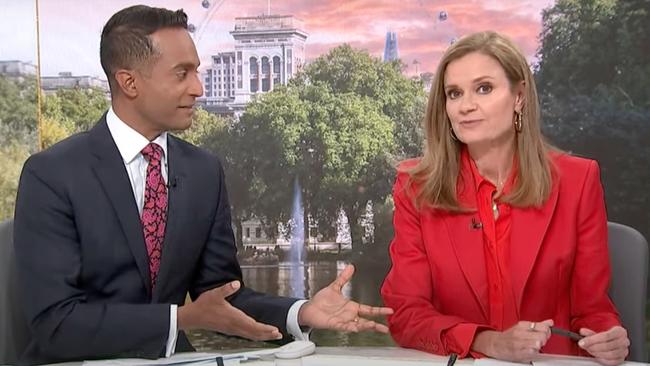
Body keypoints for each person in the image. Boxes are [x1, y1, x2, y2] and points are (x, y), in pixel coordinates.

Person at [13, 5, 392, 365]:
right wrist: (180, 320)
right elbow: (55, 324)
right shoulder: (52, 175)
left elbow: (223, 297)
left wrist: (300, 310)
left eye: (197, 71)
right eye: (182, 74)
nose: (198, 88)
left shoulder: (203, 171)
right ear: (129, 82)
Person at [380, 31, 629, 365]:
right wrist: (489, 342)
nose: (465, 106)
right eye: (454, 93)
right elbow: (406, 315)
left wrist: (607, 336)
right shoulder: (417, 188)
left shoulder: (577, 181)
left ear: (519, 96)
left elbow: (592, 311)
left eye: (484, 88)